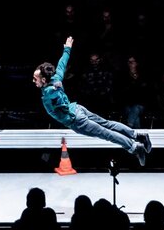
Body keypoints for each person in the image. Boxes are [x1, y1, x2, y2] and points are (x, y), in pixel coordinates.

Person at [34, 36, 151, 165]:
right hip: (78, 109)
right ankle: (138, 136)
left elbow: (57, 99)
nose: (33, 81)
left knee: (106, 133)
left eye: (35, 78)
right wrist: (67, 48)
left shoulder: (48, 93)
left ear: (43, 80)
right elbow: (62, 63)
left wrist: (55, 90)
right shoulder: (56, 78)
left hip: (76, 120)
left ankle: (135, 148)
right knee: (107, 124)